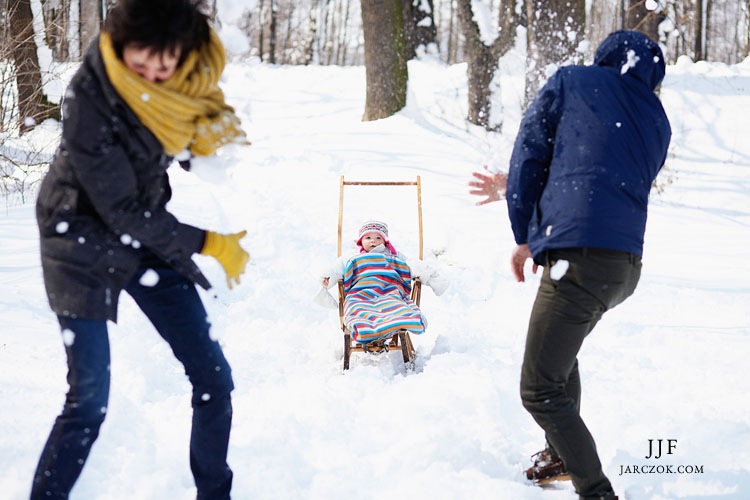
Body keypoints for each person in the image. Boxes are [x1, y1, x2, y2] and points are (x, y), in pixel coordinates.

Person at [31, 0, 249, 498]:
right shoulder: (88, 97)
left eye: (164, 63)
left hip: (145, 236)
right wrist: (208, 242)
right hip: (79, 236)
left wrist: (208, 140)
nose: (151, 74)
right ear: (119, 46)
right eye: (139, 61)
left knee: (215, 381)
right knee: (88, 401)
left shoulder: (183, 83)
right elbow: (120, 209)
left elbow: (183, 148)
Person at [505, 31, 671, 500]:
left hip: (578, 257)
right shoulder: (657, 119)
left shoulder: (572, 82)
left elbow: (532, 156)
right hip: (624, 266)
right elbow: (604, 170)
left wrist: (525, 235)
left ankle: (596, 492)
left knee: (539, 388)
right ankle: (559, 453)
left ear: (604, 57)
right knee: (561, 351)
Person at [317, 220, 447, 349]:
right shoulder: (352, 256)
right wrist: (328, 278)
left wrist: (431, 278)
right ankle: (366, 328)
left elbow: (413, 266)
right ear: (360, 240)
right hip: (360, 295)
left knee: (397, 306)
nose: (372, 241)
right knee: (356, 308)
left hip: (389, 293)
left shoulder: (393, 255)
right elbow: (335, 269)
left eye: (378, 237)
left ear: (385, 240)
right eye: (368, 237)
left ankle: (391, 323)